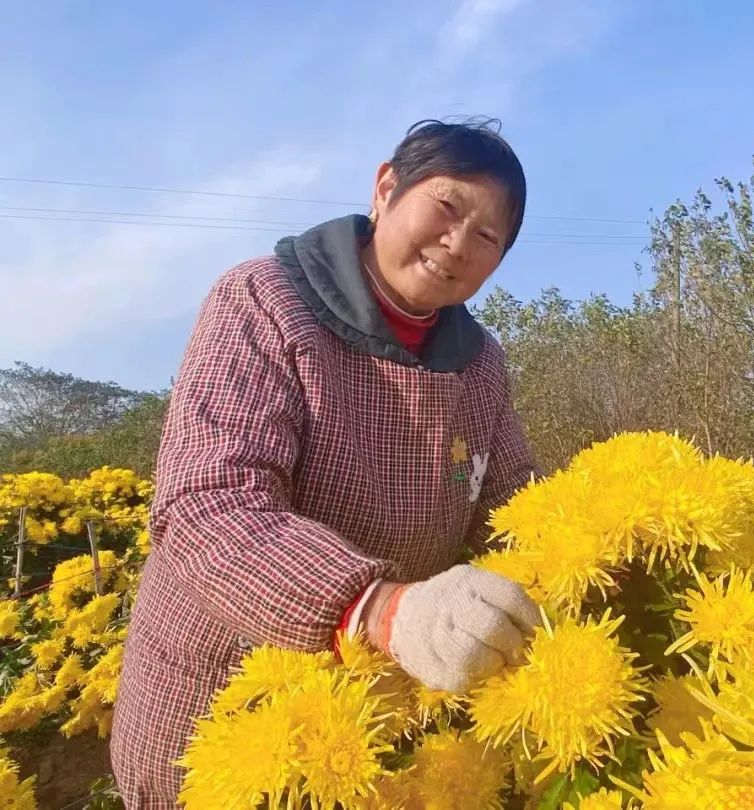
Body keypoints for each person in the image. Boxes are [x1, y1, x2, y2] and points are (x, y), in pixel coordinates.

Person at [110, 118, 544, 807]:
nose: (457, 244)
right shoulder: (263, 301)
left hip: (385, 707)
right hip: (226, 695)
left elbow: (511, 503)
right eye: (447, 207)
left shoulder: (481, 365)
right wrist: (380, 611)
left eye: (488, 237)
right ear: (385, 189)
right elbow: (209, 502)